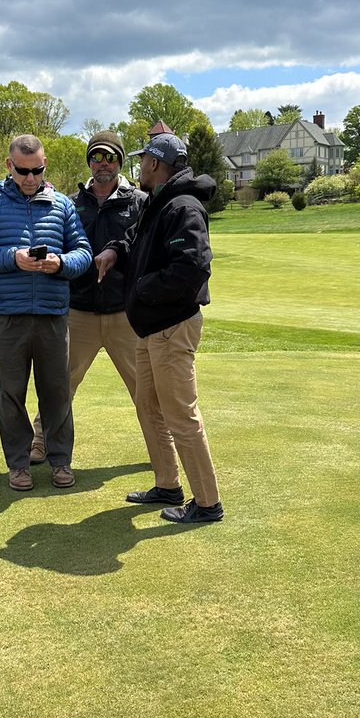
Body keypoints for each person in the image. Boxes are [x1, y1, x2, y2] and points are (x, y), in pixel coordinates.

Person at [96, 132, 224, 524]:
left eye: (142, 161)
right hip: (151, 327)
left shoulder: (183, 206)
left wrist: (141, 288)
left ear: (154, 163)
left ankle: (207, 503)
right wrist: (115, 250)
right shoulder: (159, 202)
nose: (139, 167)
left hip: (171, 325)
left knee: (180, 415)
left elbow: (192, 268)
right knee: (148, 405)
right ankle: (167, 484)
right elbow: (136, 239)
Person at [0, 135, 92, 491]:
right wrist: (12, 258)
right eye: (23, 171)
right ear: (9, 165)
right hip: (7, 316)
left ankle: (60, 461)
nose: (31, 178)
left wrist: (60, 263)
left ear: (44, 164)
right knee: (10, 394)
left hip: (52, 315)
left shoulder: (62, 204)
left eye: (37, 170)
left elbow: (83, 252)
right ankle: (18, 464)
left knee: (57, 393)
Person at [30, 130, 146, 463]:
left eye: (110, 157)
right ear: (89, 162)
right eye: (97, 157)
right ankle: (40, 440)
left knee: (144, 386)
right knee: (61, 384)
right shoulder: (71, 203)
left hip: (125, 313)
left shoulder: (139, 202)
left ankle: (164, 446)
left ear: (120, 161)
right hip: (79, 310)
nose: (103, 163)